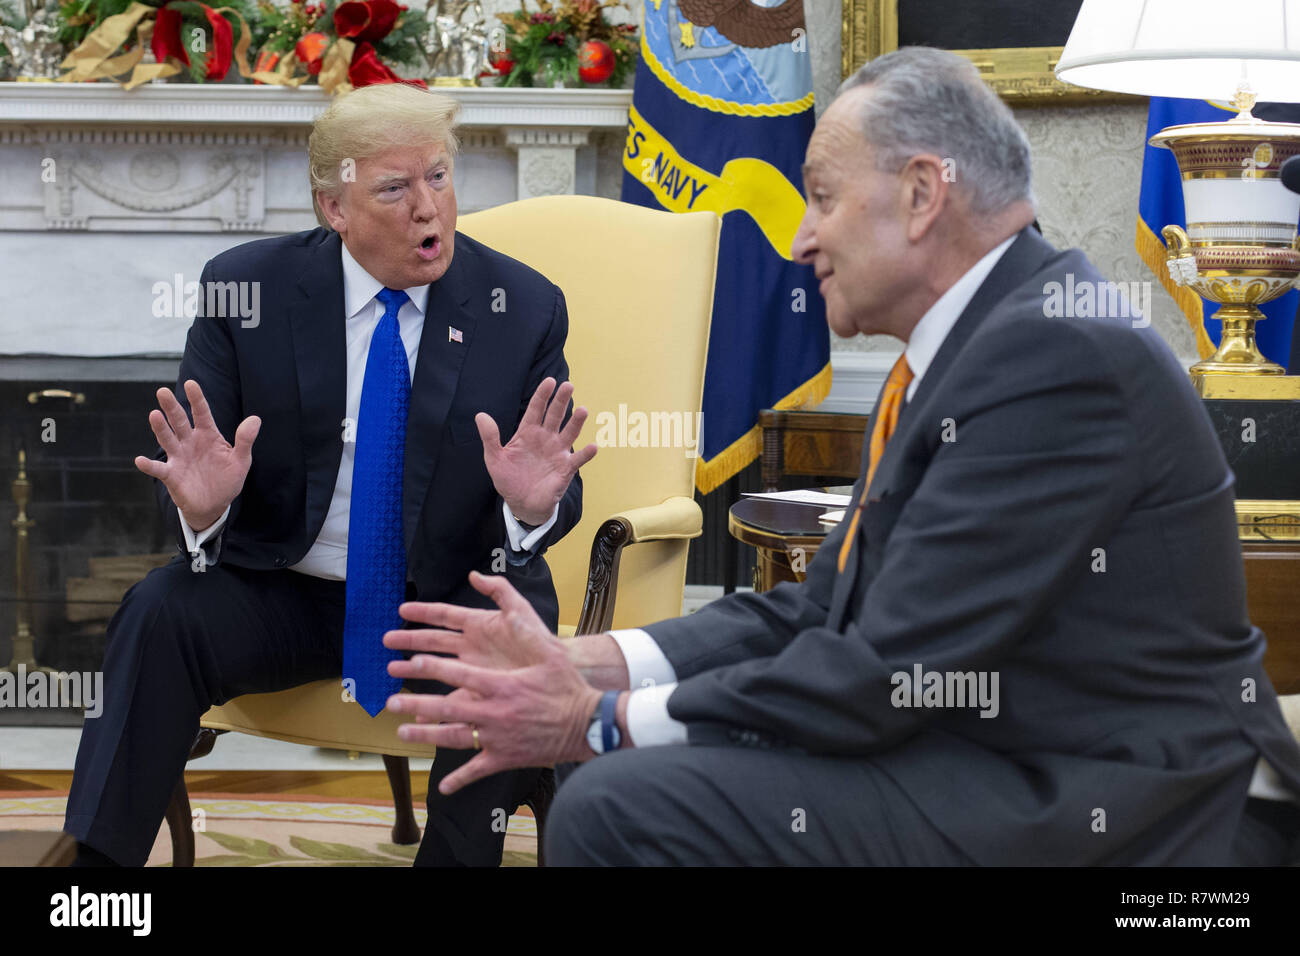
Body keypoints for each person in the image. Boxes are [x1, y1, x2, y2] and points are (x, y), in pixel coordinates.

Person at [381, 47, 1300, 865]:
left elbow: (880, 676)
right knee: (618, 778)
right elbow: (823, 613)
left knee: (622, 797)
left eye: (821, 197)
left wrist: (595, 724)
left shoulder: (1053, 359)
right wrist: (596, 664)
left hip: (1111, 794)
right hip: (996, 746)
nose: (798, 237)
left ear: (921, 194)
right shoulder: (974, 342)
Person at [64, 82, 594, 867]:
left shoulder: (520, 305)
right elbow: (195, 461)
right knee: (160, 611)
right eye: (394, 187)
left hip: (446, 600)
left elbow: (555, 484)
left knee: (511, 650)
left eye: (439, 177)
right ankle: (94, 884)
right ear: (333, 207)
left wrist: (528, 511)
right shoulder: (245, 291)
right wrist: (206, 512)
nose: (429, 209)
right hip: (286, 590)